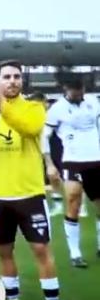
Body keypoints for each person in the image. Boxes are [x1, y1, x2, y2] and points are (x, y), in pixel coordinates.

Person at [0, 60, 64, 300]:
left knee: (41, 250)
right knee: (4, 251)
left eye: (17, 76)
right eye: (7, 77)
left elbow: (29, 128)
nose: (13, 81)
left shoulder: (33, 108)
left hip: (30, 194)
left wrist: (2, 105)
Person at [43, 75, 100, 268]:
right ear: (66, 89)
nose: (78, 94)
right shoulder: (57, 109)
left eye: (81, 90)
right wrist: (49, 164)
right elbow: (44, 136)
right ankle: (75, 253)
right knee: (74, 201)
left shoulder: (93, 102)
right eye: (74, 91)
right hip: (73, 161)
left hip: (97, 160)